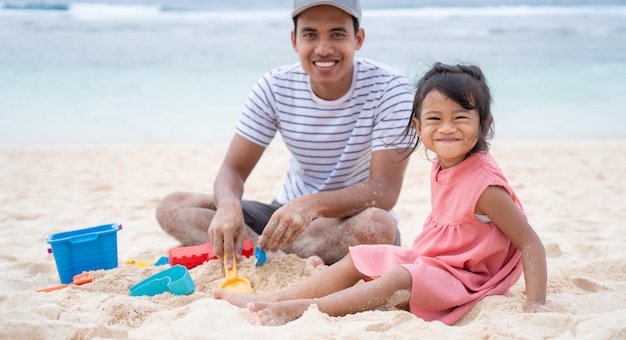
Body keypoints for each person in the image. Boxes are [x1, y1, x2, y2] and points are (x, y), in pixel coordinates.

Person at [212, 62, 551, 325]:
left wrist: (535, 302)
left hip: (467, 280)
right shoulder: (446, 164)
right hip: (437, 263)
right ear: (417, 127)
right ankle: (278, 296)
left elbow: (529, 242)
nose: (447, 128)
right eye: (434, 118)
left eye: (461, 117)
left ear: (485, 125)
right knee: (362, 256)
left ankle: (306, 308)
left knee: (397, 277)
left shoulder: (485, 185)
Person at [155, 0, 415, 266]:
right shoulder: (275, 86)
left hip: (347, 219)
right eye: (310, 35)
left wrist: (310, 205)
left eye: (338, 34)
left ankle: (268, 255)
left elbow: (384, 190)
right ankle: (290, 254)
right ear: (294, 41)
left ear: (359, 39)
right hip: (283, 219)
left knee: (378, 226)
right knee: (173, 207)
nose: (323, 48)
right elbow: (233, 169)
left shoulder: (390, 87)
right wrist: (228, 206)